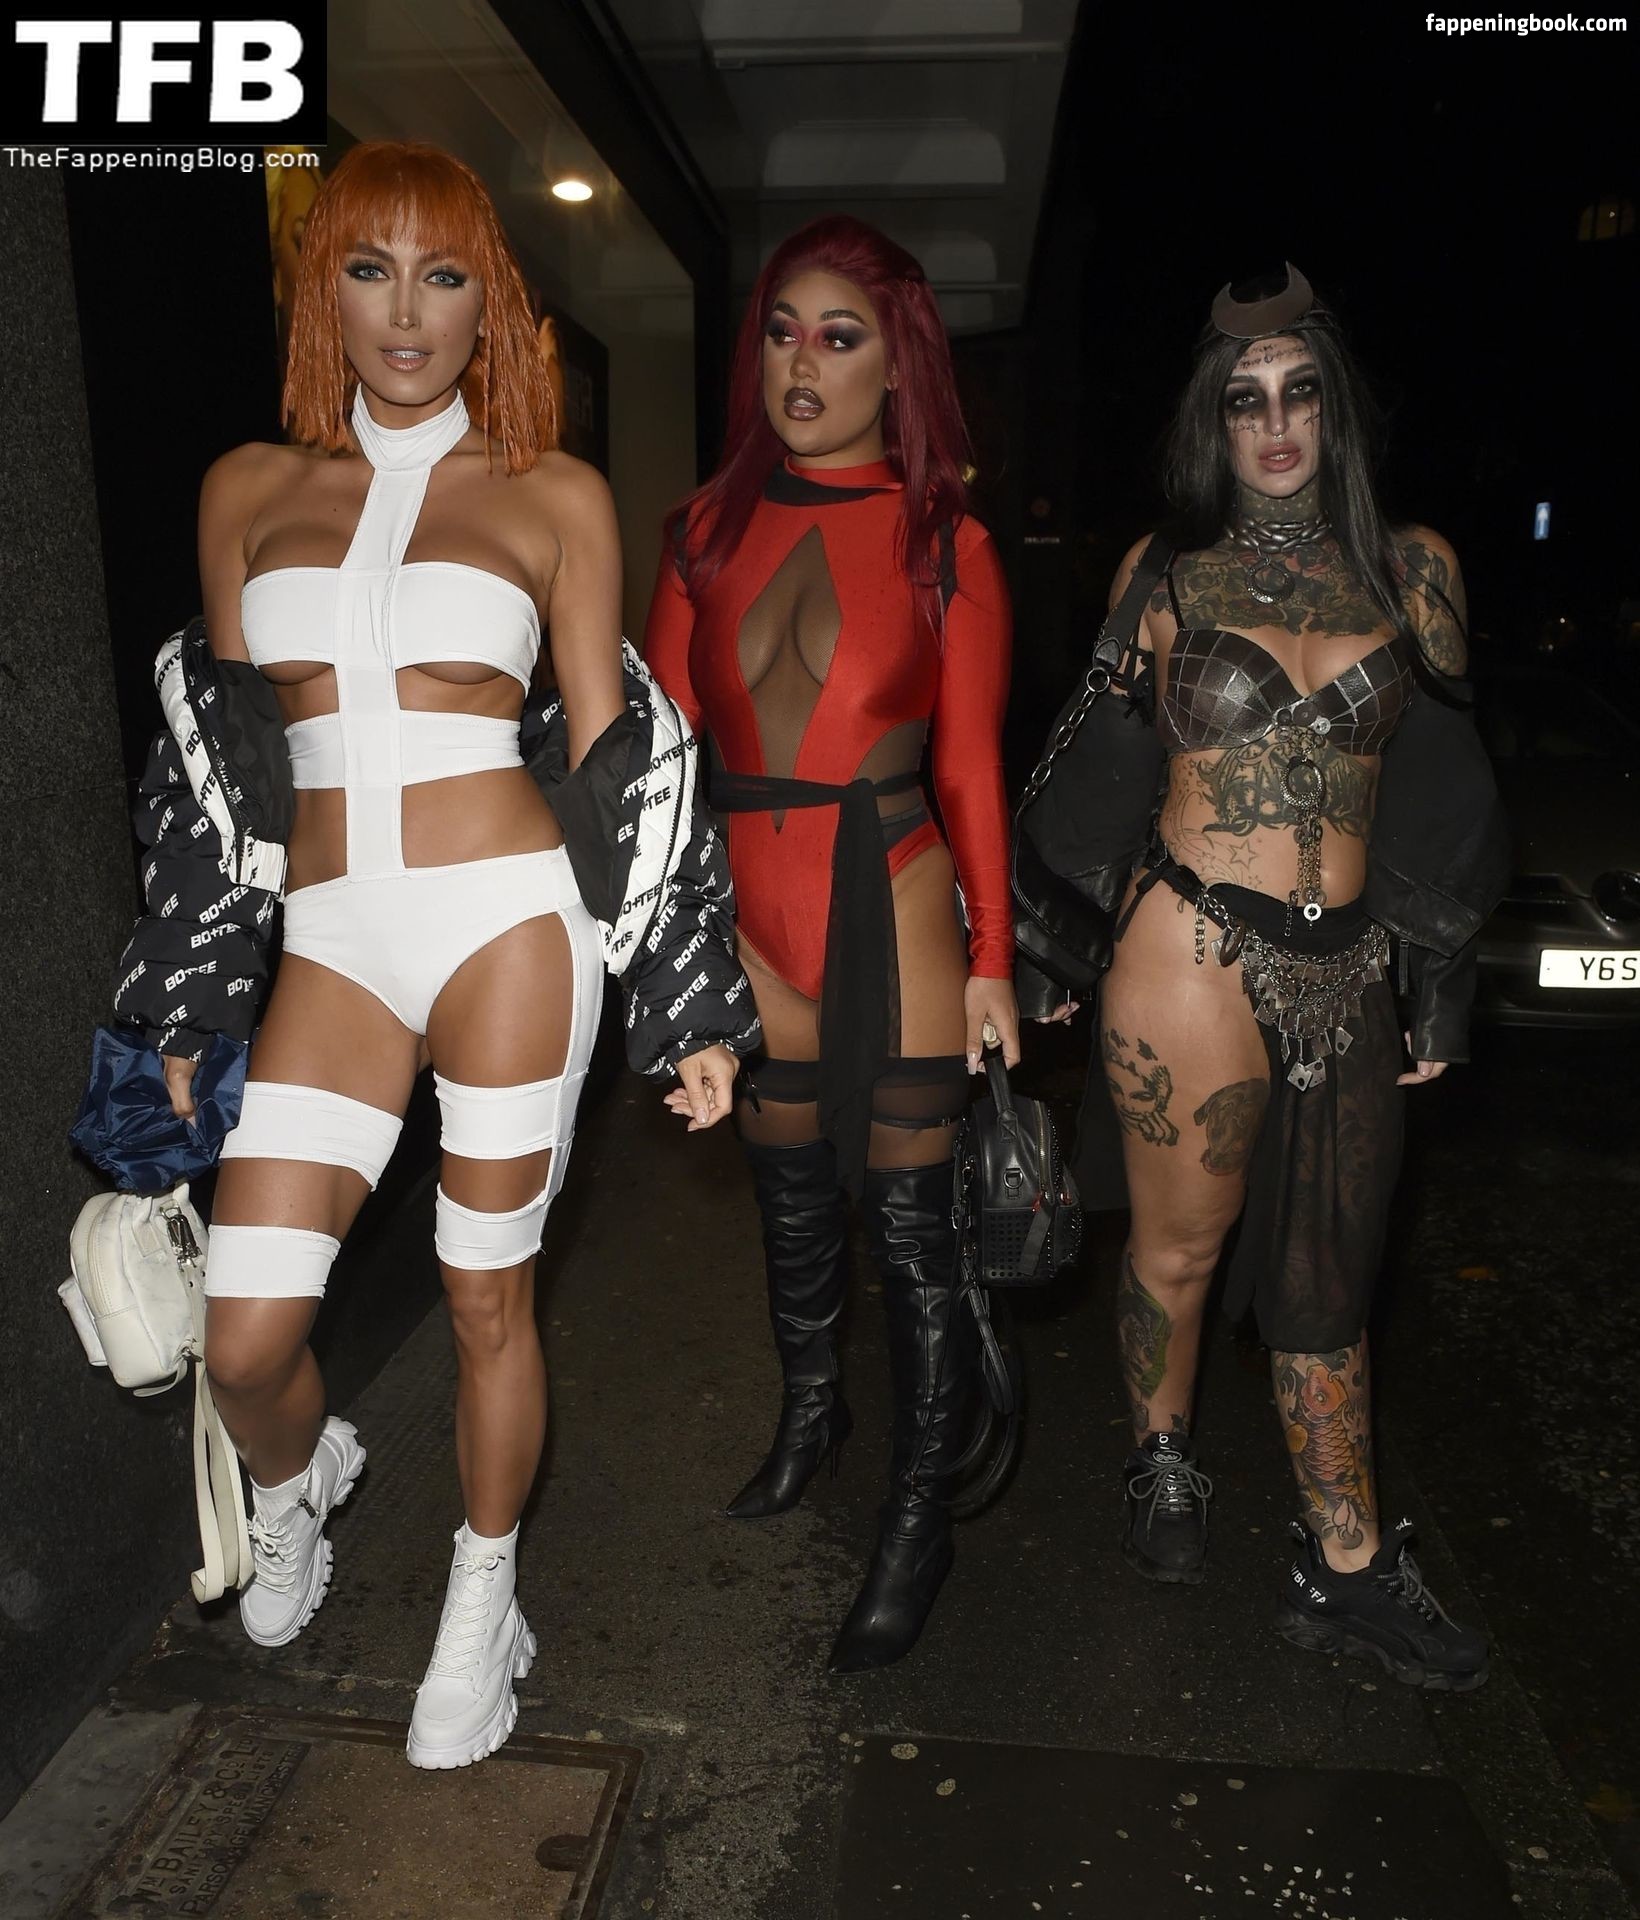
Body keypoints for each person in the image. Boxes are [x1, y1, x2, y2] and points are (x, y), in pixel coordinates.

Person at [107, 141, 755, 1767]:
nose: (407, 311)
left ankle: (486, 1593)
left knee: (484, 1297)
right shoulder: (246, 491)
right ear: (321, 289)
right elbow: (226, 783)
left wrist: (686, 993)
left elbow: (617, 760)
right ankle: (299, 1482)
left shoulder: (554, 495)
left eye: (445, 274)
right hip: (333, 946)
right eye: (370, 268)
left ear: (492, 304)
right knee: (246, 1340)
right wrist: (188, 997)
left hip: (510, 928)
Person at [1020, 265, 1508, 1691]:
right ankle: (1162, 1457)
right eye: (1246, 401)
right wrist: (1048, 944)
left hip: (1349, 962)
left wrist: (1441, 979)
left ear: (1336, 410)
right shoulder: (1165, 575)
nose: (1277, 424)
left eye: (1300, 394)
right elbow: (1095, 761)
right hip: (1190, 946)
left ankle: (1343, 1561)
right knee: (1177, 1249)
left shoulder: (1414, 572)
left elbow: (1446, 788)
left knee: (1333, 1271)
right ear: (1214, 422)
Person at [644, 215, 1018, 1672]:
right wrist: (665, 970)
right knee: (790, 1204)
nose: (804, 362)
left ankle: (919, 1520)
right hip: (748, 918)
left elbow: (970, 766)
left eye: (841, 336)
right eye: (784, 332)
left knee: (915, 1240)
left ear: (897, 363)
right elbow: (663, 766)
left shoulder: (946, 541)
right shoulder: (700, 532)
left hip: (896, 893)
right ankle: (813, 1413)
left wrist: (992, 960)